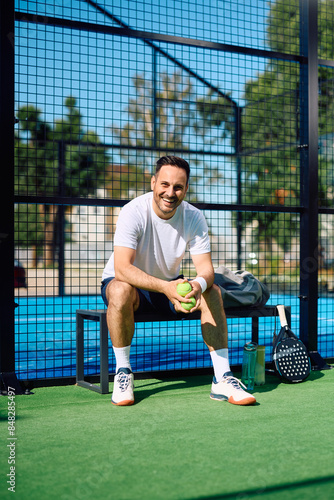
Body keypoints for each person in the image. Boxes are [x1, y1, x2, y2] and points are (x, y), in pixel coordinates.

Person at [101, 156, 256, 406]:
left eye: (178, 187)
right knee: (120, 290)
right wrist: (166, 287)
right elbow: (122, 269)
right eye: (164, 184)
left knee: (212, 291)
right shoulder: (133, 211)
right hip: (131, 286)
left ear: (186, 189)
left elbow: (206, 270)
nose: (170, 192)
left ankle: (222, 378)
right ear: (153, 183)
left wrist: (197, 286)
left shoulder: (194, 217)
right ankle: (123, 372)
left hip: (168, 286)